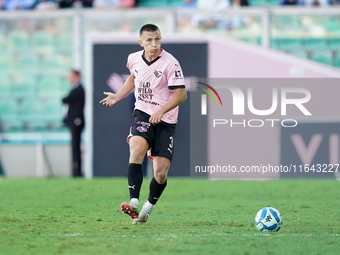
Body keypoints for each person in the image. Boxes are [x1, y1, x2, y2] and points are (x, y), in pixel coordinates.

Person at [100, 24, 187, 224]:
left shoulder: (170, 63)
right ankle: (133, 202)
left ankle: (146, 210)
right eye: (149, 40)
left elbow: (181, 94)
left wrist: (162, 110)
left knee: (160, 173)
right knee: (136, 149)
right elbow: (134, 78)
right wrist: (118, 97)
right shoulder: (133, 59)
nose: (154, 44)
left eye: (157, 39)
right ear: (141, 43)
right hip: (143, 113)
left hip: (166, 120)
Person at [62, 69, 85, 177]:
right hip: (73, 122)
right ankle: (75, 171)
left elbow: (66, 99)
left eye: (71, 76)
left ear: (77, 76)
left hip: (76, 122)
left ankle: (77, 172)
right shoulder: (75, 89)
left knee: (76, 147)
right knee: (75, 147)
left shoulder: (79, 90)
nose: (69, 78)